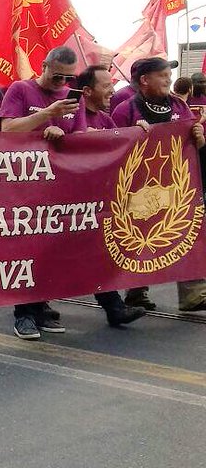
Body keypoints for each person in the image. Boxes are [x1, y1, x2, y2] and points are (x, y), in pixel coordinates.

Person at [0, 46, 85, 339]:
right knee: (26, 250)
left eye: (68, 78)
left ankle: (40, 307)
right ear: (44, 65)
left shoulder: (73, 99)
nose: (62, 83)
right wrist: (48, 115)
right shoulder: (20, 90)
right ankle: (23, 314)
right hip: (23, 187)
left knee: (49, 251)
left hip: (59, 188)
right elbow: (8, 129)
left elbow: (82, 139)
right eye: (57, 76)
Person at [110, 56, 206, 312]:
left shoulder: (179, 105)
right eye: (163, 75)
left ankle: (193, 295)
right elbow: (109, 148)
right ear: (145, 80)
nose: (169, 80)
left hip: (177, 185)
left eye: (169, 75)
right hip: (137, 188)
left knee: (187, 232)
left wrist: (199, 137)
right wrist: (131, 134)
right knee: (141, 237)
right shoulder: (125, 109)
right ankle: (136, 291)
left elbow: (193, 144)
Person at [71, 64, 149, 326]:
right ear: (87, 91)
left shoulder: (106, 120)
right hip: (62, 203)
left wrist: (134, 132)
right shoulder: (68, 114)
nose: (112, 90)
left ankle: (114, 307)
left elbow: (119, 151)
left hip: (93, 204)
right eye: (106, 86)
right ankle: (30, 311)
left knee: (96, 255)